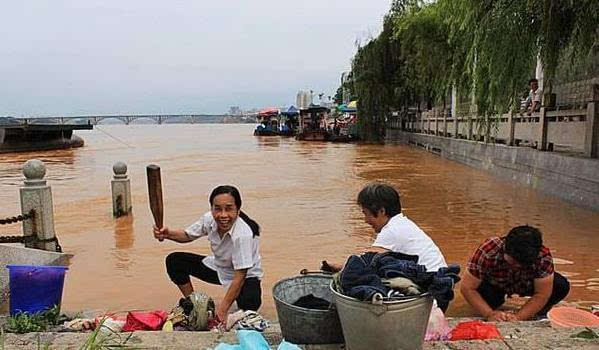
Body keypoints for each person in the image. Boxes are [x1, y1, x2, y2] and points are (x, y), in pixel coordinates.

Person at [323, 183, 450, 308]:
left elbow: (363, 264)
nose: (365, 220)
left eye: (366, 213)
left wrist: (340, 268)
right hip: (439, 290)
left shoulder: (391, 231)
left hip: (428, 299)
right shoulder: (402, 224)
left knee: (358, 281)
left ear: (382, 211)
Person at [154, 185, 263, 323]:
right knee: (174, 261)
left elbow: (239, 277)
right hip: (219, 267)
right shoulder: (209, 219)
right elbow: (187, 235)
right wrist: (167, 234)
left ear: (238, 210)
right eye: (217, 209)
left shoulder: (243, 234)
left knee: (250, 304)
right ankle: (194, 304)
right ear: (211, 209)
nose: (223, 215)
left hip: (246, 275)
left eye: (229, 209)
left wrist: (222, 311)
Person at [460, 225, 570, 322]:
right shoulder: (489, 250)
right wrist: (489, 314)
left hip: (526, 284)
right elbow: (468, 288)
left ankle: (537, 313)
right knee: (485, 296)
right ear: (505, 249)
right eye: (514, 262)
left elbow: (542, 294)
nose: (518, 266)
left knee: (560, 285)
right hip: (496, 285)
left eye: (523, 264)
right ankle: (491, 310)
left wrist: (518, 317)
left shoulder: (542, 256)